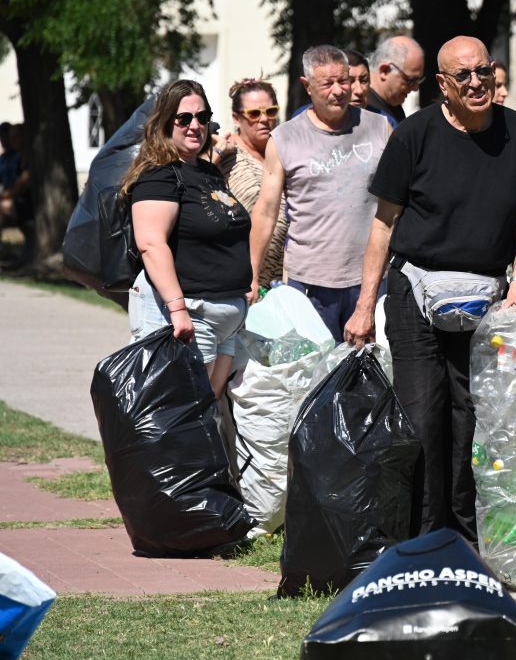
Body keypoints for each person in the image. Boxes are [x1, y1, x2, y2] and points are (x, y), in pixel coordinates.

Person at [344, 36, 516, 542]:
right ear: (443, 85)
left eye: (485, 71)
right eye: (465, 76)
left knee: (472, 415)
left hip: (484, 296)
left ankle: (464, 535)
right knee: (421, 414)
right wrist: (365, 305)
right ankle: (420, 535)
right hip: (417, 291)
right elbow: (383, 225)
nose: (478, 82)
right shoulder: (414, 134)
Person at [248, 45, 392, 343]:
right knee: (314, 377)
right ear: (307, 86)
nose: (340, 90)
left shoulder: (380, 128)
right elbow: (266, 211)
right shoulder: (286, 138)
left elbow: (401, 201)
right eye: (328, 83)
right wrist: (251, 273)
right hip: (310, 282)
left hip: (371, 280)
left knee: (371, 375)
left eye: (345, 80)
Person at [122, 80, 252, 400]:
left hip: (226, 318)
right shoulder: (159, 174)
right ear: (166, 123)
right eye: (184, 119)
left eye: (202, 117)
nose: (195, 125)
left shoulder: (209, 172)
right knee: (179, 415)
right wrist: (178, 309)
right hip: (191, 314)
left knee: (203, 413)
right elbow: (151, 243)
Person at [213, 78, 287, 288]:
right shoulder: (227, 151)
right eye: (254, 114)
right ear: (236, 118)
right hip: (239, 278)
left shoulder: (283, 153)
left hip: (280, 281)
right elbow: (194, 180)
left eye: (271, 111)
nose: (264, 120)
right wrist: (216, 153)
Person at [367, 35, 425, 126]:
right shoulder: (364, 110)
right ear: (384, 71)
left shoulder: (393, 106)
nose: (415, 88)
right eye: (411, 80)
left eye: (418, 80)